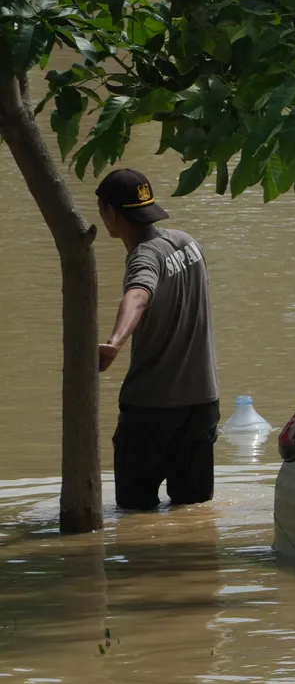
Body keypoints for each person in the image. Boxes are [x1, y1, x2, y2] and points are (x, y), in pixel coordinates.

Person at [95, 168, 219, 510]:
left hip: (152, 410)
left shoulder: (144, 256)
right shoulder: (187, 242)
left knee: (134, 513)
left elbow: (138, 295)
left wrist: (115, 342)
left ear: (111, 212)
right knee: (192, 510)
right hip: (201, 404)